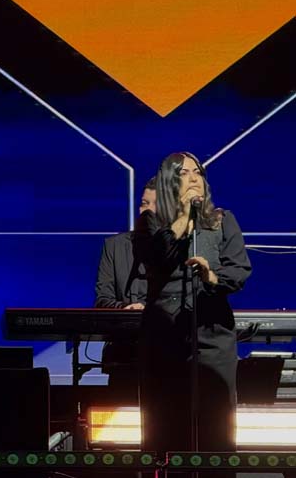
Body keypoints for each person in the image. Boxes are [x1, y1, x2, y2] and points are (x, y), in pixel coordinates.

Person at [136, 152, 251, 454]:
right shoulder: (150, 222)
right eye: (184, 173)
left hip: (212, 336)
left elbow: (239, 270)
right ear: (168, 182)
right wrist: (183, 217)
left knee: (217, 424)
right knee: (165, 422)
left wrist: (211, 277)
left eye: (197, 172)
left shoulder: (221, 220)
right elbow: (156, 256)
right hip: (166, 336)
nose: (194, 178)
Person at [94, 178, 155, 394]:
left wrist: (149, 309)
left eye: (155, 204)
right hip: (122, 350)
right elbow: (102, 299)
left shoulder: (179, 248)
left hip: (165, 348)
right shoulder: (114, 246)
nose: (147, 210)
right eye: (144, 204)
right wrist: (126, 309)